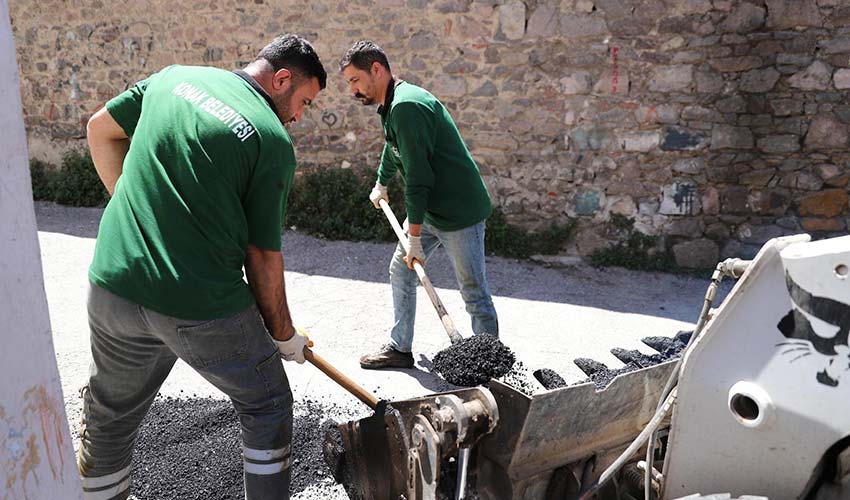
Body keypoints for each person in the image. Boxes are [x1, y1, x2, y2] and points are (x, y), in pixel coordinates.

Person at [79, 34, 326, 500]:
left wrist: (140, 218)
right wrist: (283, 334)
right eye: (304, 103)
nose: (297, 117)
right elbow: (262, 255)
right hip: (197, 304)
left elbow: (99, 129)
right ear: (281, 79)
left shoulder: (172, 78)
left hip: (112, 284)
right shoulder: (270, 141)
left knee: (108, 419)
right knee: (268, 403)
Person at [339, 40, 499, 370]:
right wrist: (381, 182)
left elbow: (418, 181)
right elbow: (393, 147)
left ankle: (490, 364)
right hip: (430, 210)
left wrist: (413, 239)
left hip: (458, 212)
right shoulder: (391, 104)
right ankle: (400, 348)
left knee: (473, 290)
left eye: (355, 80)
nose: (352, 90)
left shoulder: (407, 107)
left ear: (376, 70)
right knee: (401, 270)